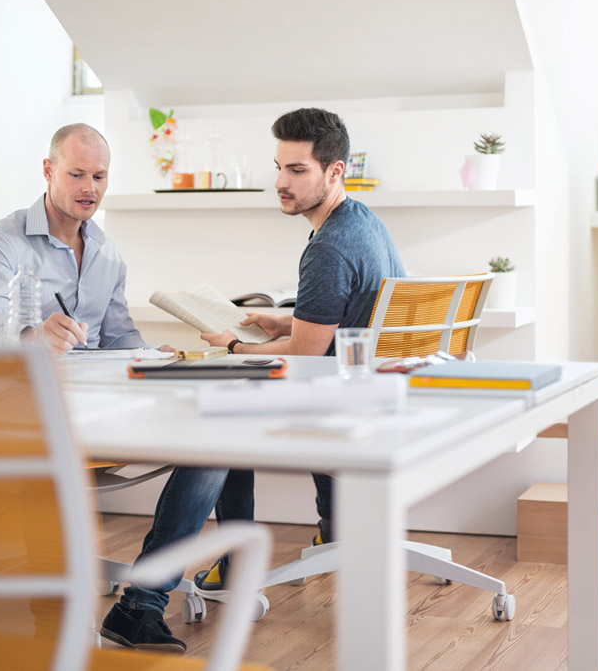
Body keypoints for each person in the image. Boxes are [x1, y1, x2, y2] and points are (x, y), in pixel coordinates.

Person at [99, 108, 405, 652]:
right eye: (278, 168)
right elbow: (340, 318)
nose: (282, 183)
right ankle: (275, 546)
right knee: (228, 417)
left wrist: (236, 345)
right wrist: (284, 320)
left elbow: (305, 355)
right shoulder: (362, 222)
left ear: (335, 172)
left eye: (297, 170)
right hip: (366, 390)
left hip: (332, 396)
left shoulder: (329, 247)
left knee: (215, 433)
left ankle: (139, 604)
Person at [0, 123, 145, 352]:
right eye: (77, 175)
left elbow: (118, 338)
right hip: (29, 383)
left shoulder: (108, 254)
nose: (90, 188)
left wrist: (160, 355)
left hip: (97, 384)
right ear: (48, 171)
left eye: (99, 177)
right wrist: (32, 337)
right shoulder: (0, 242)